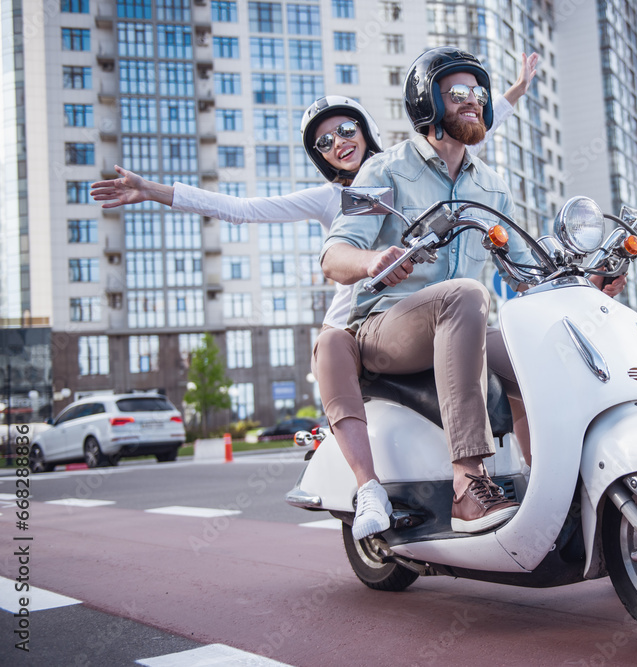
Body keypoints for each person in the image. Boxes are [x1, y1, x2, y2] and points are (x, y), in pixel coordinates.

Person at [89, 53, 541, 540]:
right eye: (324, 142)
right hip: (371, 320)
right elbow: (244, 210)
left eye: (346, 130)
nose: (338, 143)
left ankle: (547, 478)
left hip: (448, 313)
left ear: (365, 130)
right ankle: (428, 484)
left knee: (529, 344)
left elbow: (472, 124)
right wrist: (154, 191)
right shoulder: (371, 182)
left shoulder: (464, 177)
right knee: (356, 335)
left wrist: (511, 90)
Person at [322, 47, 625, 534]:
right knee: (463, 294)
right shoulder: (383, 171)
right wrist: (371, 260)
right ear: (428, 103)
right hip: (383, 329)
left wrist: (587, 284)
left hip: (461, 323)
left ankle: (549, 482)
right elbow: (333, 255)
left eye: (479, 93)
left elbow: (529, 274)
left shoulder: (491, 187)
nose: (475, 102)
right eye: (459, 93)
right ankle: (468, 484)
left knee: (536, 347)